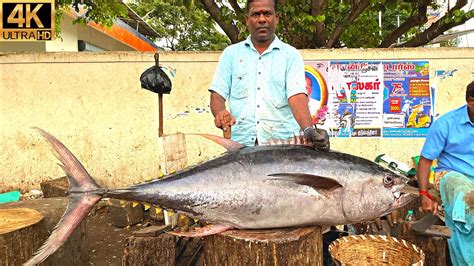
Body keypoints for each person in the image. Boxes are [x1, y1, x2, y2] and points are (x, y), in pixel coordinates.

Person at [208, 0, 329, 151]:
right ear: (247, 20)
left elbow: (296, 96)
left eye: (267, 13)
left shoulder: (290, 55)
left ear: (276, 18)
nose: (262, 19)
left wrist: (308, 130)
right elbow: (217, 94)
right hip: (241, 148)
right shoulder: (231, 54)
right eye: (255, 14)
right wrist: (220, 113)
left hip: (283, 147)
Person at [417, 81, 474, 265]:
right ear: (471, 102)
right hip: (452, 173)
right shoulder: (446, 123)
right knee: (465, 200)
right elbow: (425, 161)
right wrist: (424, 194)